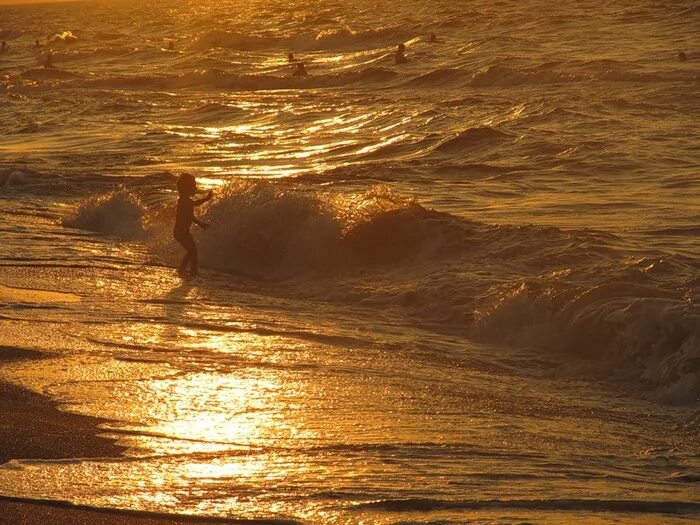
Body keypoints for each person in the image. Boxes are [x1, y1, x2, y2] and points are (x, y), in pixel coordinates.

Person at [174, 173, 213, 277]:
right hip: (181, 232)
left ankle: (189, 271)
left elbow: (191, 215)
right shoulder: (184, 201)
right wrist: (207, 199)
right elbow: (193, 211)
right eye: (193, 185)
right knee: (192, 251)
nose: (195, 187)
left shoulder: (185, 200)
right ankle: (188, 271)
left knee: (192, 251)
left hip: (181, 231)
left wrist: (200, 224)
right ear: (187, 187)